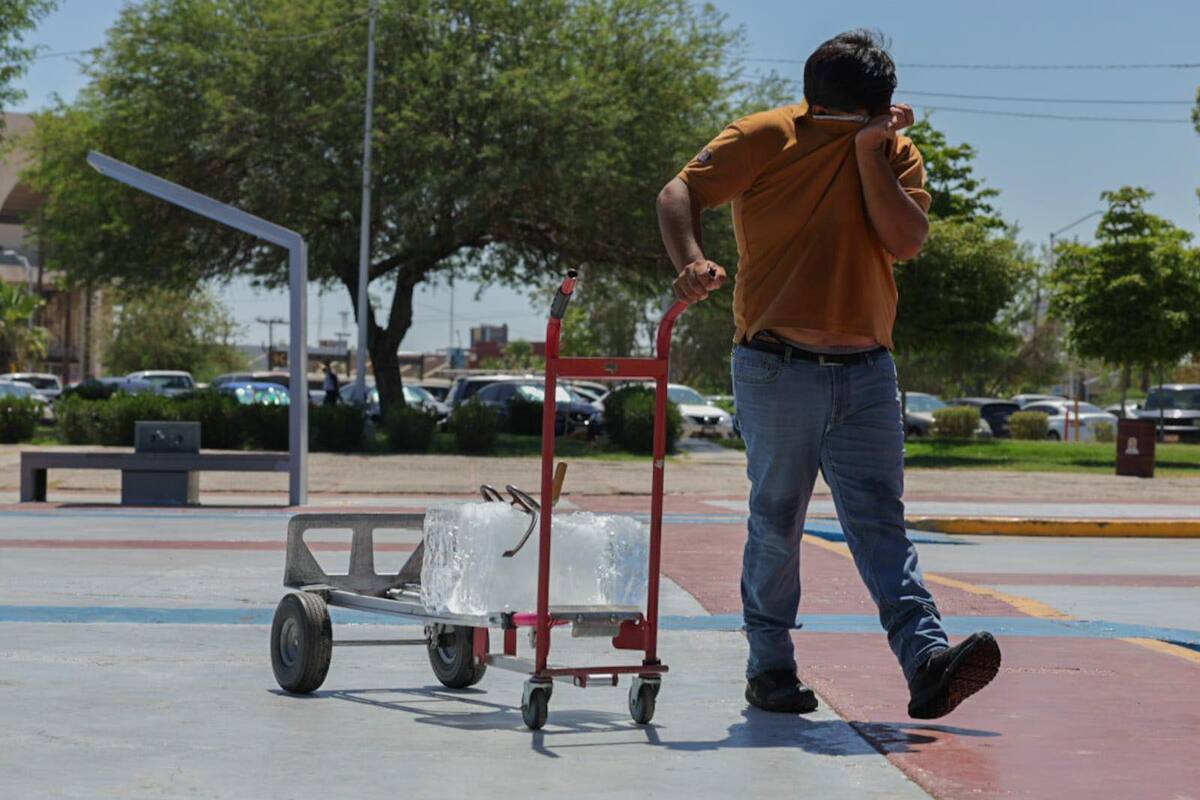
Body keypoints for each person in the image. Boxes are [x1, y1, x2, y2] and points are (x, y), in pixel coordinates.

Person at [656, 30, 999, 719]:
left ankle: (928, 664)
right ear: (821, 103)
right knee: (777, 520)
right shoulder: (765, 136)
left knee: (881, 523)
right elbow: (679, 192)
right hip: (777, 366)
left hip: (869, 369)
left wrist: (870, 151)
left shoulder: (893, 149)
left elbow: (905, 241)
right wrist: (690, 259)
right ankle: (771, 669)